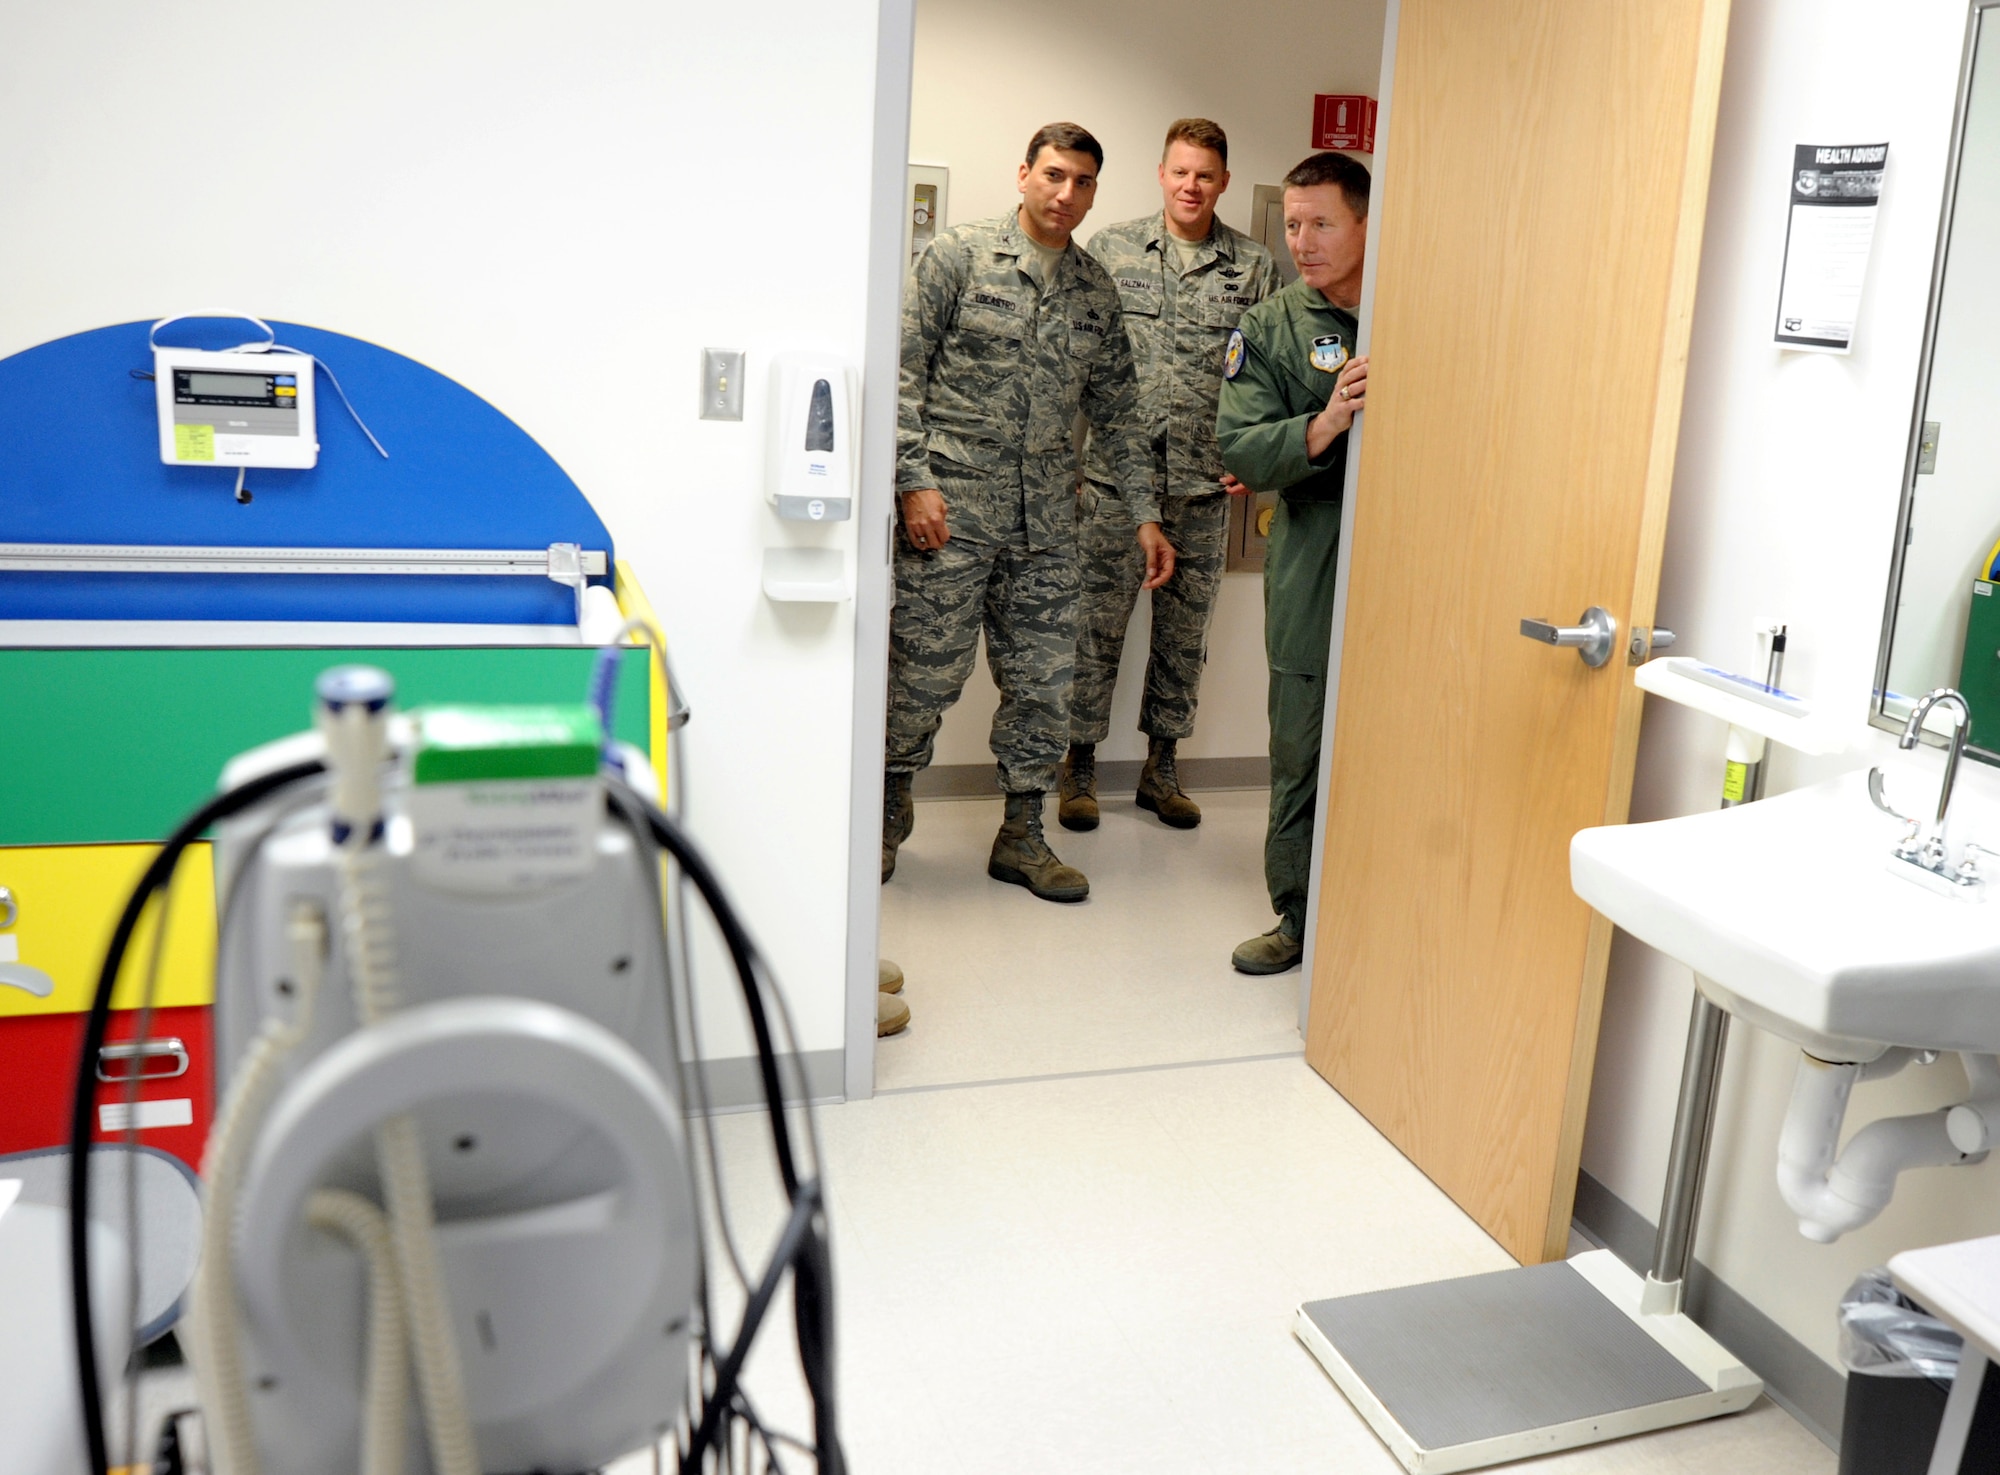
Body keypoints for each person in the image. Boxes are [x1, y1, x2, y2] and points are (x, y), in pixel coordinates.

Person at [884, 122, 1173, 902]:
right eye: (1053, 175)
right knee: (918, 680)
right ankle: (882, 822)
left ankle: (1021, 833)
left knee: (1044, 685)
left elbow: (1118, 414)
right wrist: (913, 479)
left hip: (1048, 524)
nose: (1065, 195)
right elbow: (902, 373)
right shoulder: (959, 255)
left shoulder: (1094, 289)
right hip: (948, 515)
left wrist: (1146, 514)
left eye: (1083, 182)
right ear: (1023, 174)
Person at [1059, 118, 1284, 834]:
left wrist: (1257, 455)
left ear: (1223, 181)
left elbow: (1271, 373)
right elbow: (1075, 362)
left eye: (1206, 174)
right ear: (1162, 173)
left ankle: (1162, 768)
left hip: (1202, 490)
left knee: (1185, 641)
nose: (1192, 185)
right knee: (1095, 632)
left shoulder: (1252, 268)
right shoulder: (1111, 250)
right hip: (1114, 490)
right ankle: (1080, 767)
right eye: (1180, 172)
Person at [1215, 151, 1370, 974]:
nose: (1302, 241)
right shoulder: (1272, 326)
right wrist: (1327, 421)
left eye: (1323, 224)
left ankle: (1385, 908)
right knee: (1301, 745)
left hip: (1410, 563)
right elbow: (1240, 444)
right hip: (1314, 560)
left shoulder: (1423, 309)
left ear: (1368, 224)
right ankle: (1298, 916)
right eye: (1296, 224)